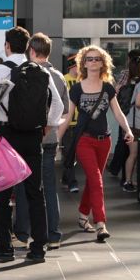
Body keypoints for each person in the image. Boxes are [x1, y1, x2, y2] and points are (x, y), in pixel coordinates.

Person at [0, 27, 63, 263]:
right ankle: (38, 248)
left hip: (5, 136)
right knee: (35, 192)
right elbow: (57, 106)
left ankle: (5, 246)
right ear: (28, 47)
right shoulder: (40, 71)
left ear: (7, 46)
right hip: (32, 136)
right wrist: (46, 127)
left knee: (3, 192)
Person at [58, 45, 133, 242]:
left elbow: (117, 113)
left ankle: (83, 215)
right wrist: (55, 140)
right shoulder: (76, 88)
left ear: (103, 63)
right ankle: (101, 223)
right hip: (84, 140)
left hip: (104, 140)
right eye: (89, 59)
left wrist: (128, 130)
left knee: (94, 181)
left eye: (96, 59)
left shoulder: (108, 87)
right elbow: (66, 117)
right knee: (97, 181)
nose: (93, 62)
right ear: (83, 63)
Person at [13, 33, 70, 250]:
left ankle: (22, 233)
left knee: (23, 186)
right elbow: (64, 109)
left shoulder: (24, 73)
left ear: (32, 52)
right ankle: (53, 234)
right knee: (48, 187)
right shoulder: (59, 76)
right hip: (50, 139)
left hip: (28, 137)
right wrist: (51, 126)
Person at [109, 49, 140, 186]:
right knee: (134, 151)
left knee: (123, 145)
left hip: (125, 114)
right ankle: (128, 177)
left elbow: (116, 90)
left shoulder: (125, 73)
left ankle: (121, 174)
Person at [123, 57, 140, 192]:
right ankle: (128, 181)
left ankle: (131, 181)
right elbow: (139, 103)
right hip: (136, 124)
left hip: (137, 123)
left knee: (135, 154)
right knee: (134, 154)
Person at [61, 55, 80, 193]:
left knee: (73, 154)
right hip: (67, 124)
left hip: (80, 124)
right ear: (73, 66)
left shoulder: (83, 81)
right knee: (68, 153)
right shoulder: (64, 80)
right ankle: (72, 181)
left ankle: (66, 178)